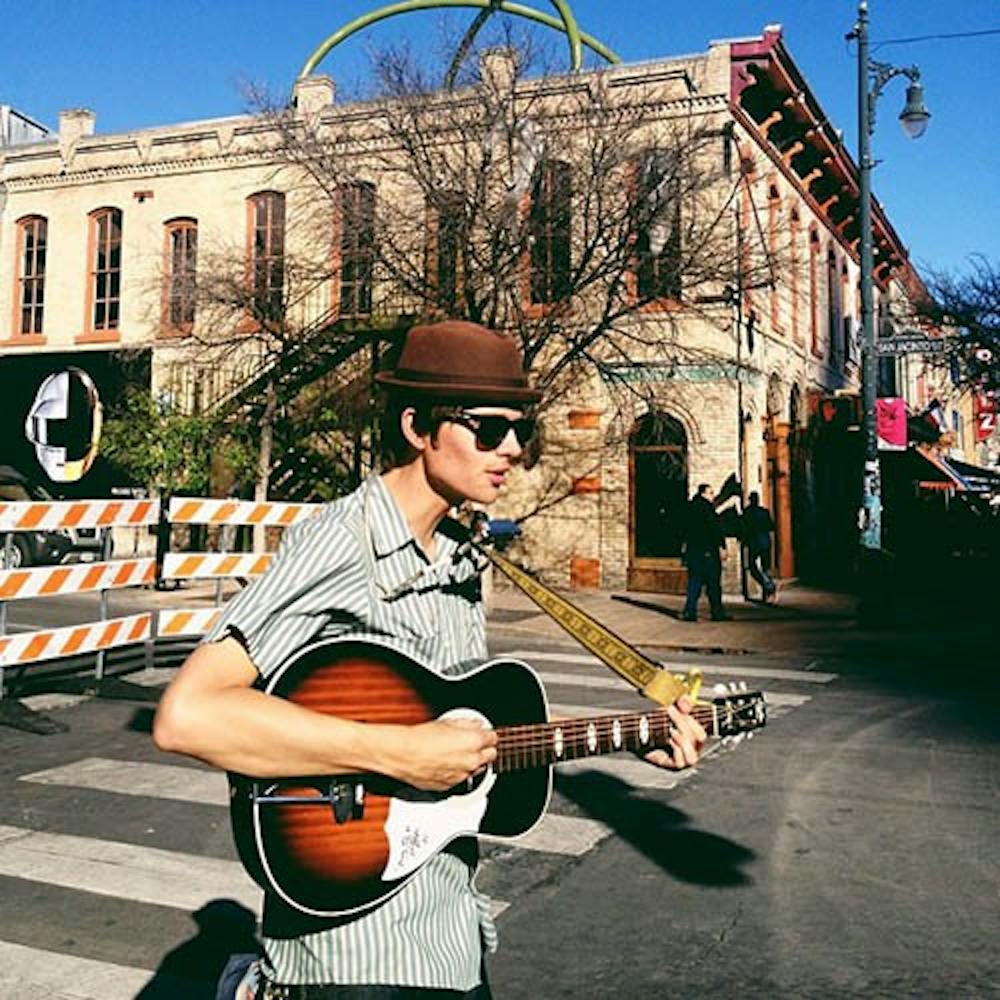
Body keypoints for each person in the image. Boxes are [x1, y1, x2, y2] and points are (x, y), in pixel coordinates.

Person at [153, 320, 707, 1000]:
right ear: (417, 427)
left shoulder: (461, 557)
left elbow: (460, 729)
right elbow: (189, 716)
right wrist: (398, 753)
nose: (510, 450)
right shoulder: (342, 542)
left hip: (448, 941)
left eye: (519, 431)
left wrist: (633, 734)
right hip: (349, 957)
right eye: (486, 429)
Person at [680, 483, 729, 622]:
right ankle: (717, 612)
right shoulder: (707, 509)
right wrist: (722, 547)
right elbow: (714, 530)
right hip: (708, 551)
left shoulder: (690, 508)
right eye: (711, 493)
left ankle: (690, 611)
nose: (713, 496)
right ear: (704, 494)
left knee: (694, 582)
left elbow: (684, 530)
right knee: (713, 584)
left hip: (693, 550)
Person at [741, 491, 776, 602]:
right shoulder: (764, 512)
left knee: (752, 567)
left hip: (753, 542)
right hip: (764, 542)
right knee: (766, 568)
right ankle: (768, 589)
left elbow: (744, 528)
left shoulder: (747, 512)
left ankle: (767, 587)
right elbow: (771, 527)